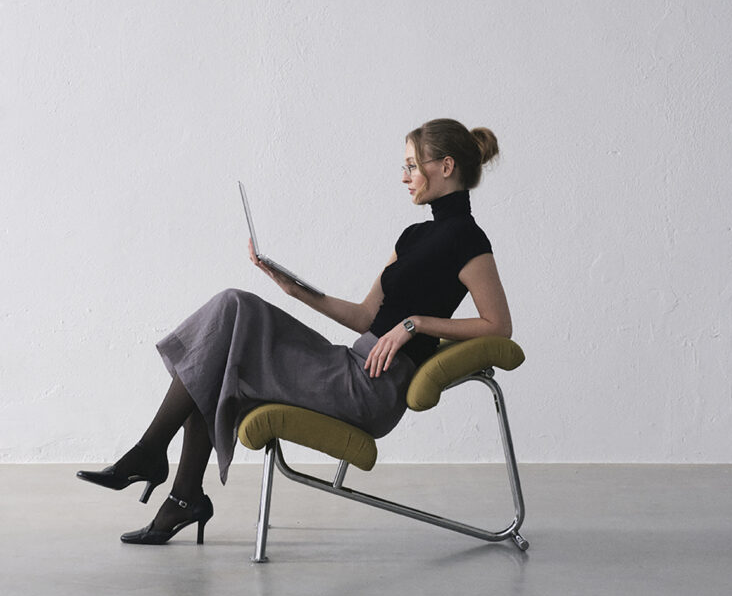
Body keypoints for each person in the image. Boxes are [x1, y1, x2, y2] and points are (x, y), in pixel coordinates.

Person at [76, 118, 513, 545]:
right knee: (217, 349)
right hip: (350, 363)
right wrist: (293, 289)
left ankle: (153, 458)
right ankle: (180, 495)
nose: (405, 177)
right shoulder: (414, 235)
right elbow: (365, 316)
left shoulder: (468, 240)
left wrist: (414, 325)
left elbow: (499, 327)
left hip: (371, 388)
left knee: (230, 311)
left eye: (413, 166)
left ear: (447, 166)